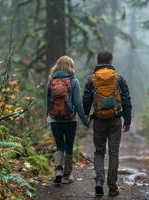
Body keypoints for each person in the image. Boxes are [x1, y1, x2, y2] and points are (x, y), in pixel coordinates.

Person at [83, 51, 132, 197]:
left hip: (98, 120)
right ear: (110, 61)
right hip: (115, 120)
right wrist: (127, 120)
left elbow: (86, 100)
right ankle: (112, 187)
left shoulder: (91, 80)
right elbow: (127, 100)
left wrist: (86, 117)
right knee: (113, 153)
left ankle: (99, 181)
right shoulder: (119, 79)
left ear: (98, 61)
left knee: (99, 152)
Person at [46, 56, 90, 185]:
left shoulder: (51, 81)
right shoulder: (74, 81)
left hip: (54, 119)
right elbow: (77, 102)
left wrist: (48, 115)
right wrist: (85, 120)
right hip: (70, 119)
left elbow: (48, 101)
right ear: (71, 66)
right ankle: (67, 175)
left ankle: (58, 170)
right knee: (69, 146)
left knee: (59, 145)